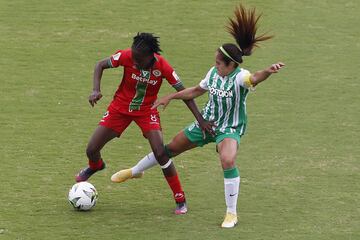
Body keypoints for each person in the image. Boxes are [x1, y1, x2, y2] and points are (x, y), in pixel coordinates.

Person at [111, 5, 285, 228]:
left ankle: (231, 213)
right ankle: (134, 172)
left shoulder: (240, 77)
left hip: (229, 128)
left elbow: (255, 78)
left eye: (219, 63)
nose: (215, 66)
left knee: (228, 159)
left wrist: (268, 72)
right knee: (168, 150)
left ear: (231, 65)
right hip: (206, 123)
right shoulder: (213, 74)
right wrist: (170, 98)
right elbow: (195, 90)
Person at [75, 32, 214, 214]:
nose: (134, 62)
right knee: (91, 149)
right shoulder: (127, 56)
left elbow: (185, 94)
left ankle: (180, 198)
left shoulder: (163, 67)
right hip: (119, 108)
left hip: (147, 111)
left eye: (138, 59)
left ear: (150, 56)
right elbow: (100, 65)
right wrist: (95, 89)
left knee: (161, 153)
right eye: (133, 58)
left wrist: (201, 120)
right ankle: (96, 166)